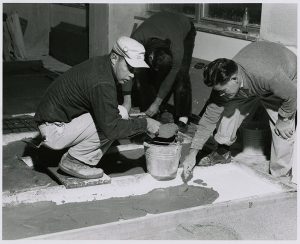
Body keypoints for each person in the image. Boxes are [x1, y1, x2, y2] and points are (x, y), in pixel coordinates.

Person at [34, 36, 161, 179]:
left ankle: (54, 151)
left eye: (135, 70)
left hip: (51, 122)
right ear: (114, 58)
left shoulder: (102, 65)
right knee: (115, 122)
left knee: (118, 114)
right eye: (130, 67)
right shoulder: (102, 83)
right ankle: (74, 161)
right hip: (53, 130)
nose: (132, 75)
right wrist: (145, 124)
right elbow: (112, 128)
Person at [182, 41, 297, 182]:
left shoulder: (268, 75)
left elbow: (291, 94)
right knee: (228, 111)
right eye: (219, 92)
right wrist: (192, 153)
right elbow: (209, 120)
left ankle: (282, 177)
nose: (221, 95)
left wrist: (284, 119)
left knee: (283, 131)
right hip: (252, 79)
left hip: (286, 78)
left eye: (223, 91)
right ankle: (222, 152)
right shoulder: (224, 84)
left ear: (235, 78)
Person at [121, 11, 196, 132]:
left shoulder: (177, 51)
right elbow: (127, 68)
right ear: (150, 57)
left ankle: (183, 117)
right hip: (159, 25)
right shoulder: (137, 39)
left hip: (184, 26)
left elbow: (172, 75)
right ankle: (152, 111)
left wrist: (157, 103)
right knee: (142, 72)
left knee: (181, 73)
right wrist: (127, 101)